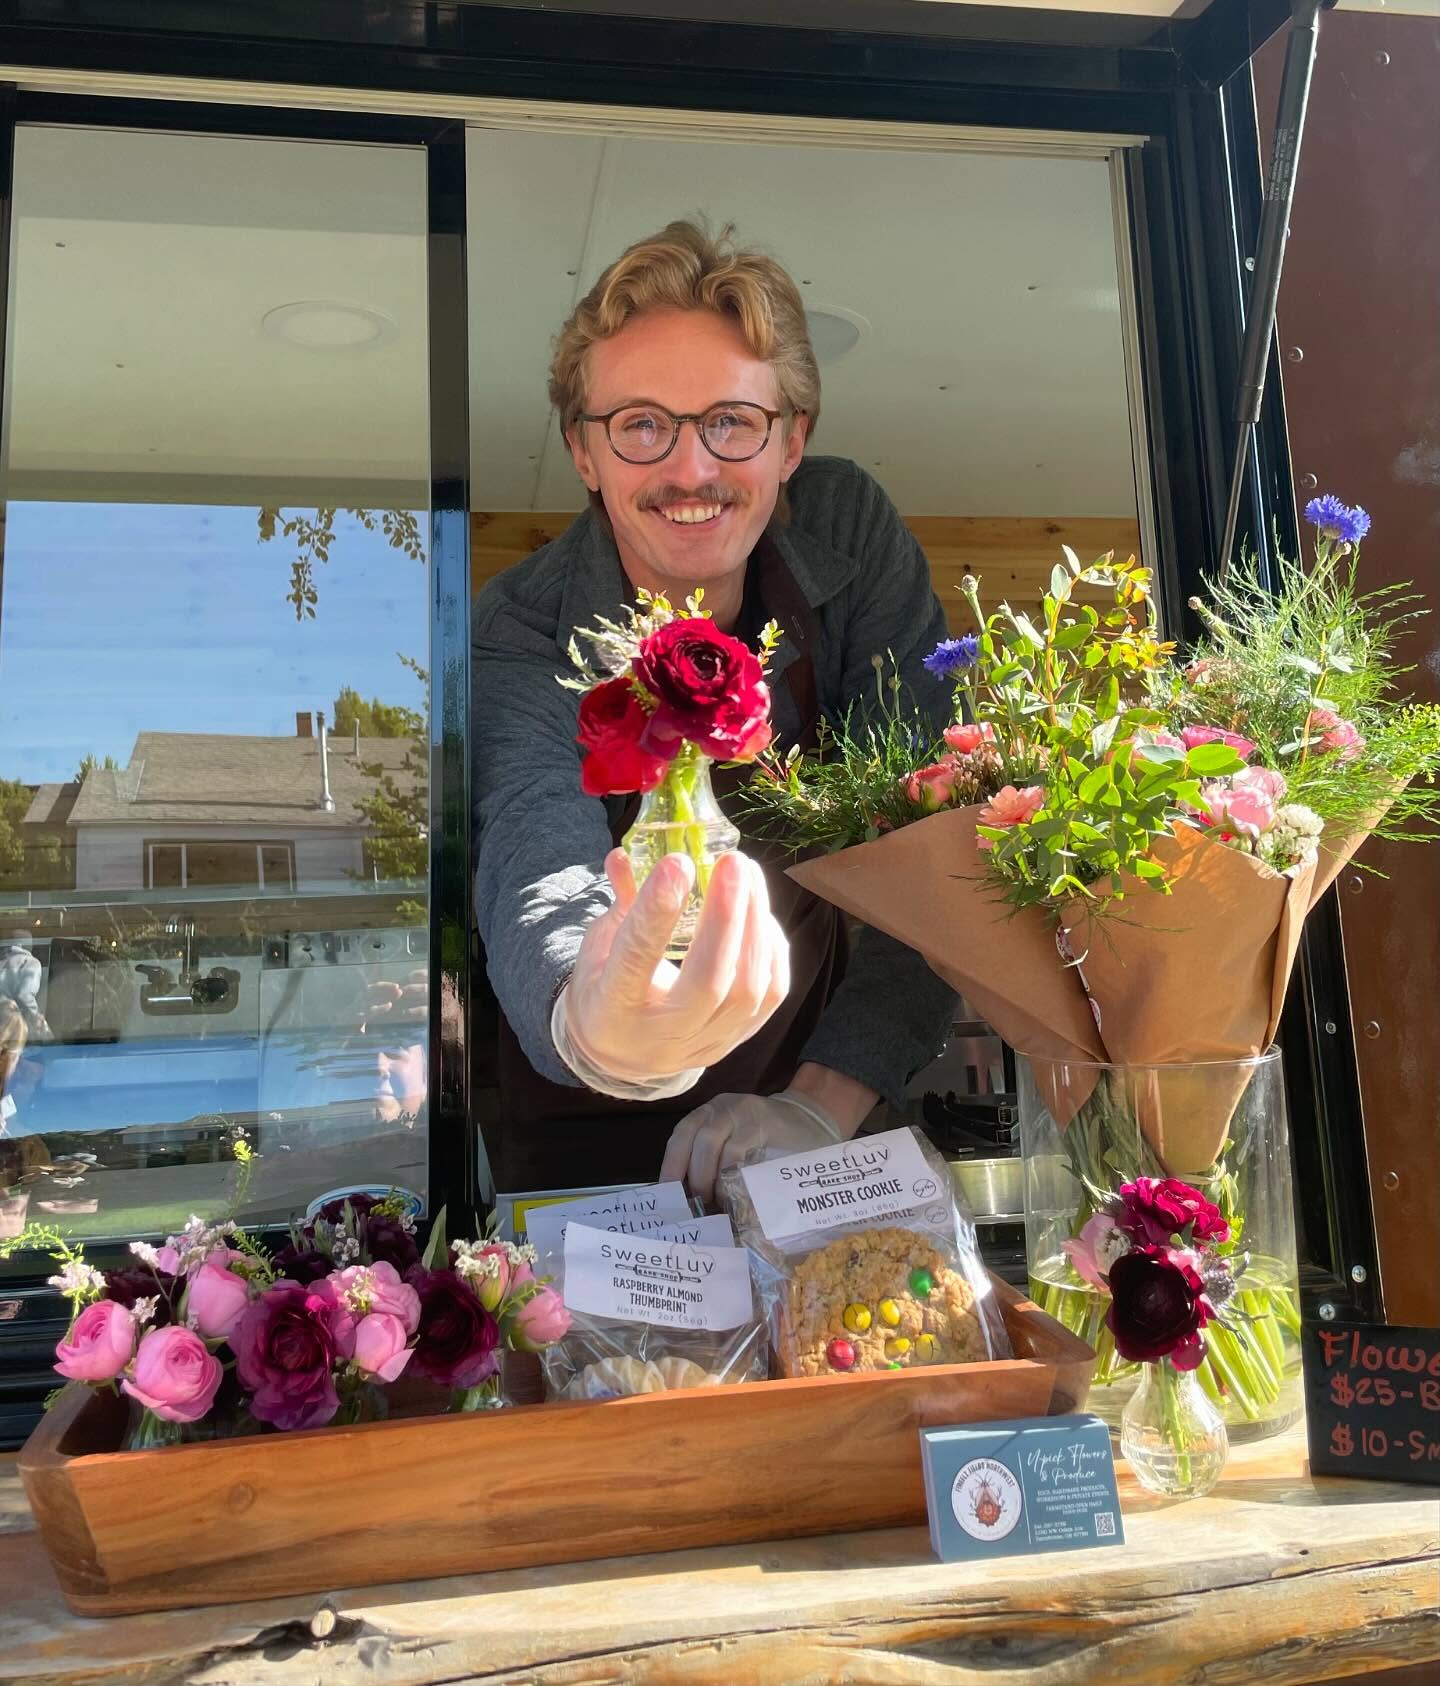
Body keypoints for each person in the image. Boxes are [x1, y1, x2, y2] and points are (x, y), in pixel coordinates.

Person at [472, 219, 956, 1200]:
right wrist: (605, 1025)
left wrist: (820, 1103)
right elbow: (534, 841)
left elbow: (934, 842)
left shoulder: (848, 538)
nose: (691, 471)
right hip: (580, 1127)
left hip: (819, 1101)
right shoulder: (522, 627)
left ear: (792, 442)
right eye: (641, 425)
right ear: (583, 451)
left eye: (731, 422)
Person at [0, 932, 50, 1042]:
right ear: (26, 944)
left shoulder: (2, 961)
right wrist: (43, 1027)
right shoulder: (31, 962)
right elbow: (25, 996)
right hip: (15, 1026)